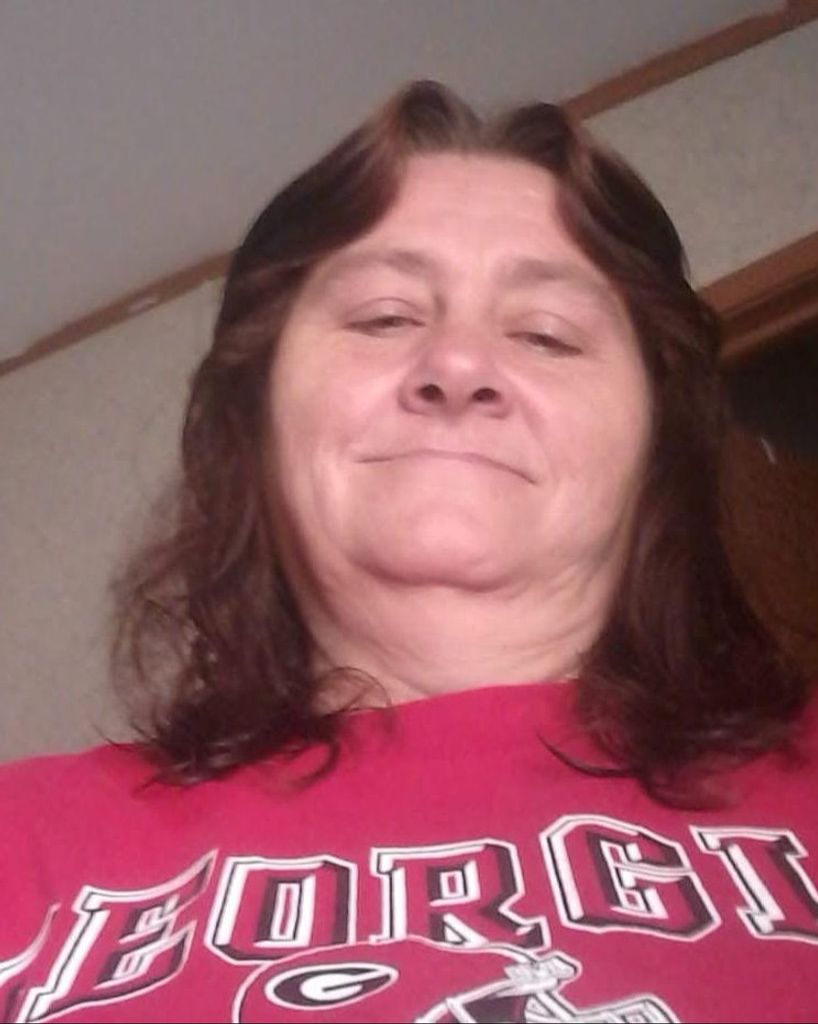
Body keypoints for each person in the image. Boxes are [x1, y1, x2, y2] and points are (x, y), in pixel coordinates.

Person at [1, 81, 815, 1024]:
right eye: (383, 317)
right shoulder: (21, 838)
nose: (458, 365)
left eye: (546, 335)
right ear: (255, 422)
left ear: (654, 448)